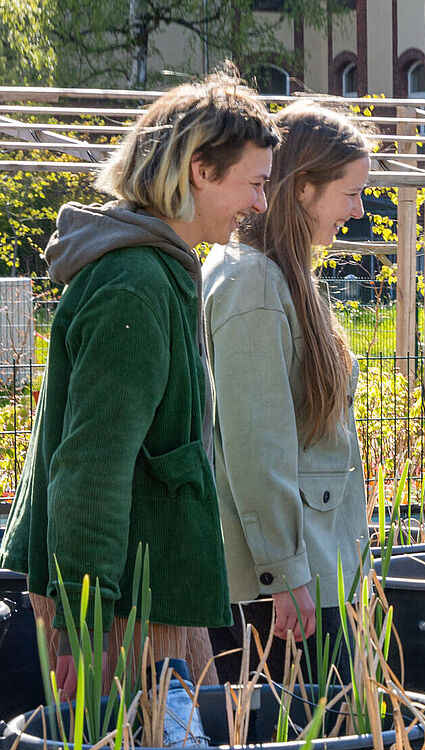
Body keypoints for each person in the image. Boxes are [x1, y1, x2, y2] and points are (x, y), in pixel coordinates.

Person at [0, 71, 279, 697]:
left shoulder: (161, 271)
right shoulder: (134, 285)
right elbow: (91, 466)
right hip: (119, 604)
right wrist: (85, 621)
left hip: (149, 590)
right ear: (200, 171)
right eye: (255, 183)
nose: (261, 204)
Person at [203, 100, 372, 683]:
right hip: (281, 589)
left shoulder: (278, 274)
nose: (357, 211)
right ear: (302, 188)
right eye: (350, 193)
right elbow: (256, 445)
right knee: (301, 730)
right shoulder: (253, 282)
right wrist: (284, 573)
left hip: (309, 567)